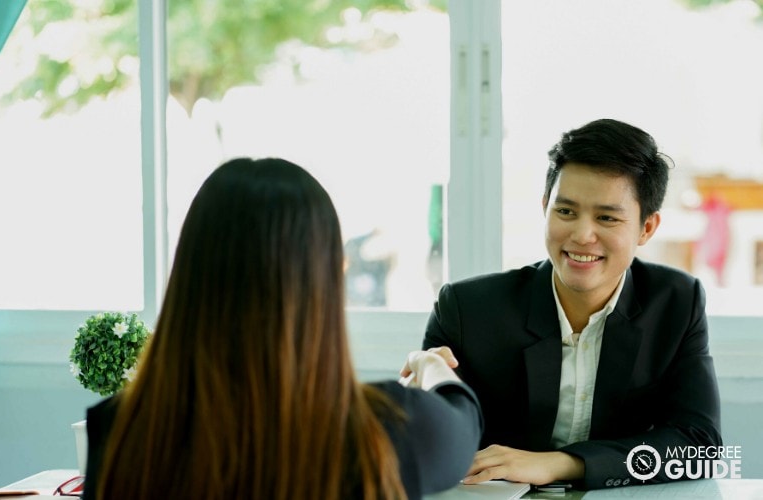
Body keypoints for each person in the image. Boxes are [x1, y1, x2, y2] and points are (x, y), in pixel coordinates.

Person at [82, 157, 482, 500]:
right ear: (322, 281)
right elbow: (463, 419)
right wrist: (430, 364)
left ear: (189, 277)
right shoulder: (385, 429)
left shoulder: (121, 431)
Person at [405, 118, 722, 490]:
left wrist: (561, 465)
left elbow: (699, 447)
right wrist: (428, 379)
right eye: (566, 212)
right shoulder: (466, 309)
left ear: (646, 228)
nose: (582, 235)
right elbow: (430, 447)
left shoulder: (676, 303)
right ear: (545, 207)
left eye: (606, 217)